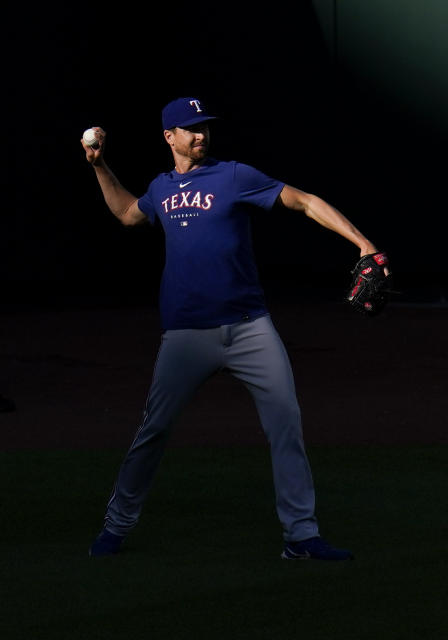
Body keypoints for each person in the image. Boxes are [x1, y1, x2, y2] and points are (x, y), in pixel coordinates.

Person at [82, 97, 383, 560]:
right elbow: (127, 214)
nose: (201, 134)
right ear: (170, 137)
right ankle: (115, 528)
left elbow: (303, 202)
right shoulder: (161, 189)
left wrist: (362, 243)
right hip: (185, 334)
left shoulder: (235, 176)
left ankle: (301, 538)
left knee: (286, 424)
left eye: (205, 127)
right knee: (153, 430)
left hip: (249, 328)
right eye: (191, 128)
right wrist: (100, 166)